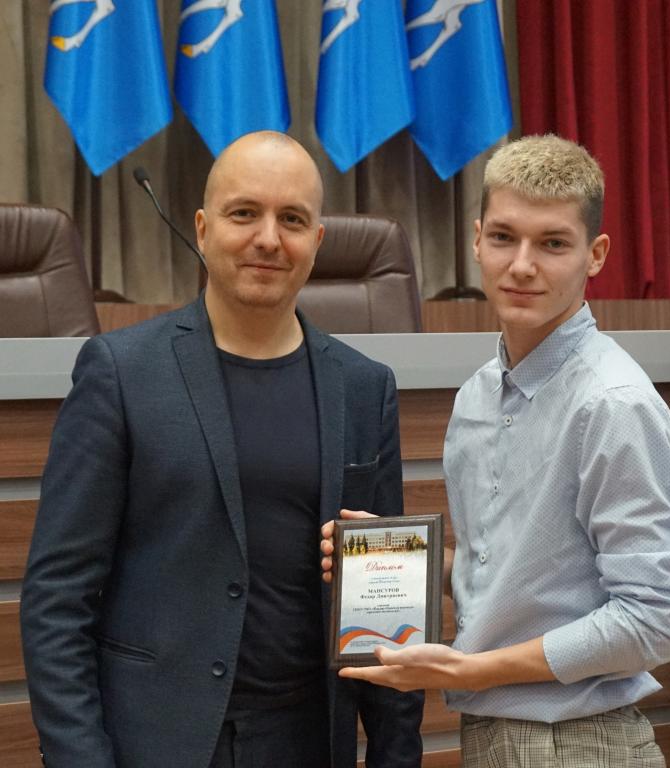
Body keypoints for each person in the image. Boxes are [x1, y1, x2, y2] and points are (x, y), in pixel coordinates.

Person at [20, 131, 423, 768]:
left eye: (292, 220)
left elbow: (387, 598)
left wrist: (396, 756)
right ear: (204, 229)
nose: (268, 238)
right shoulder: (121, 373)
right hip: (153, 745)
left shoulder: (364, 387)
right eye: (244, 213)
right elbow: (57, 599)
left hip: (307, 741)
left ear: (317, 241)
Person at [323, 135, 670, 767]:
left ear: (595, 255)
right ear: (477, 241)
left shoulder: (613, 405)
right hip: (494, 738)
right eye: (504, 237)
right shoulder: (476, 396)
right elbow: (509, 581)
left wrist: (472, 670)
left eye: (552, 243)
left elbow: (655, 621)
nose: (522, 265)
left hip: (583, 743)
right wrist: (396, 554)